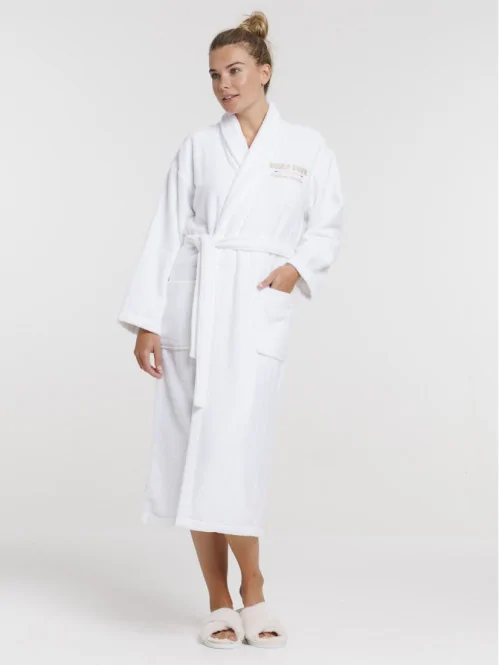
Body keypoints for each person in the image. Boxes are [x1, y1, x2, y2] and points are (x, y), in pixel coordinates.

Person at [117, 10, 344, 649]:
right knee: (195, 453)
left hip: (254, 308)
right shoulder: (197, 147)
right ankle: (218, 600)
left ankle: (256, 587)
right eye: (215, 75)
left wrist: (295, 268)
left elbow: (327, 223)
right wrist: (148, 321)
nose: (224, 85)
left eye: (235, 71)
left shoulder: (306, 148)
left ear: (264, 72)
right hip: (193, 306)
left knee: (238, 452)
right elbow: (166, 231)